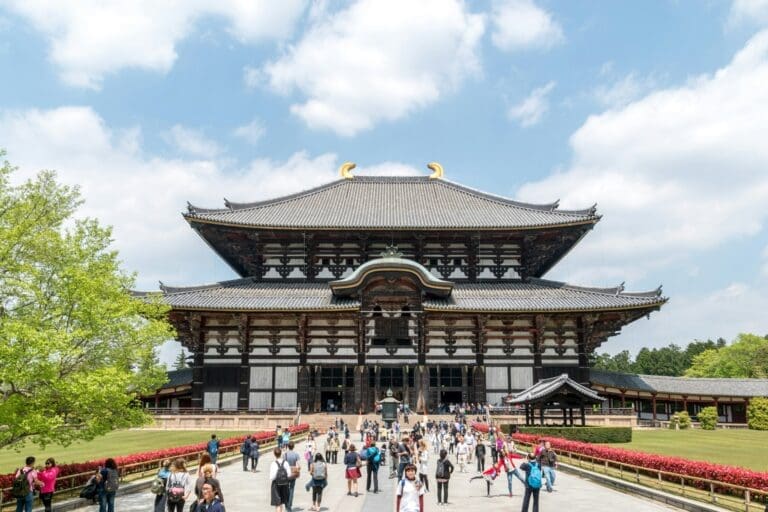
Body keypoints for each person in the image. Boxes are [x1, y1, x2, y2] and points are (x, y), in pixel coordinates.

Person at [270, 448, 291, 512]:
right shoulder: (286, 463)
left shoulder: (273, 463)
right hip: (285, 484)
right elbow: (289, 475)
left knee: (278, 504)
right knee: (282, 502)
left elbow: (272, 477)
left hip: (276, 484)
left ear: (274, 454)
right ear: (281, 453)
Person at [284, 441, 301, 512]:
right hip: (293, 473)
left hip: (286, 473)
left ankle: (286, 505)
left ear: (288, 447)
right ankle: (289, 505)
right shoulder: (296, 454)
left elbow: (283, 464)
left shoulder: (285, 454)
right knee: (292, 489)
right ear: (293, 447)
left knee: (286, 490)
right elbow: (298, 464)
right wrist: (298, 468)